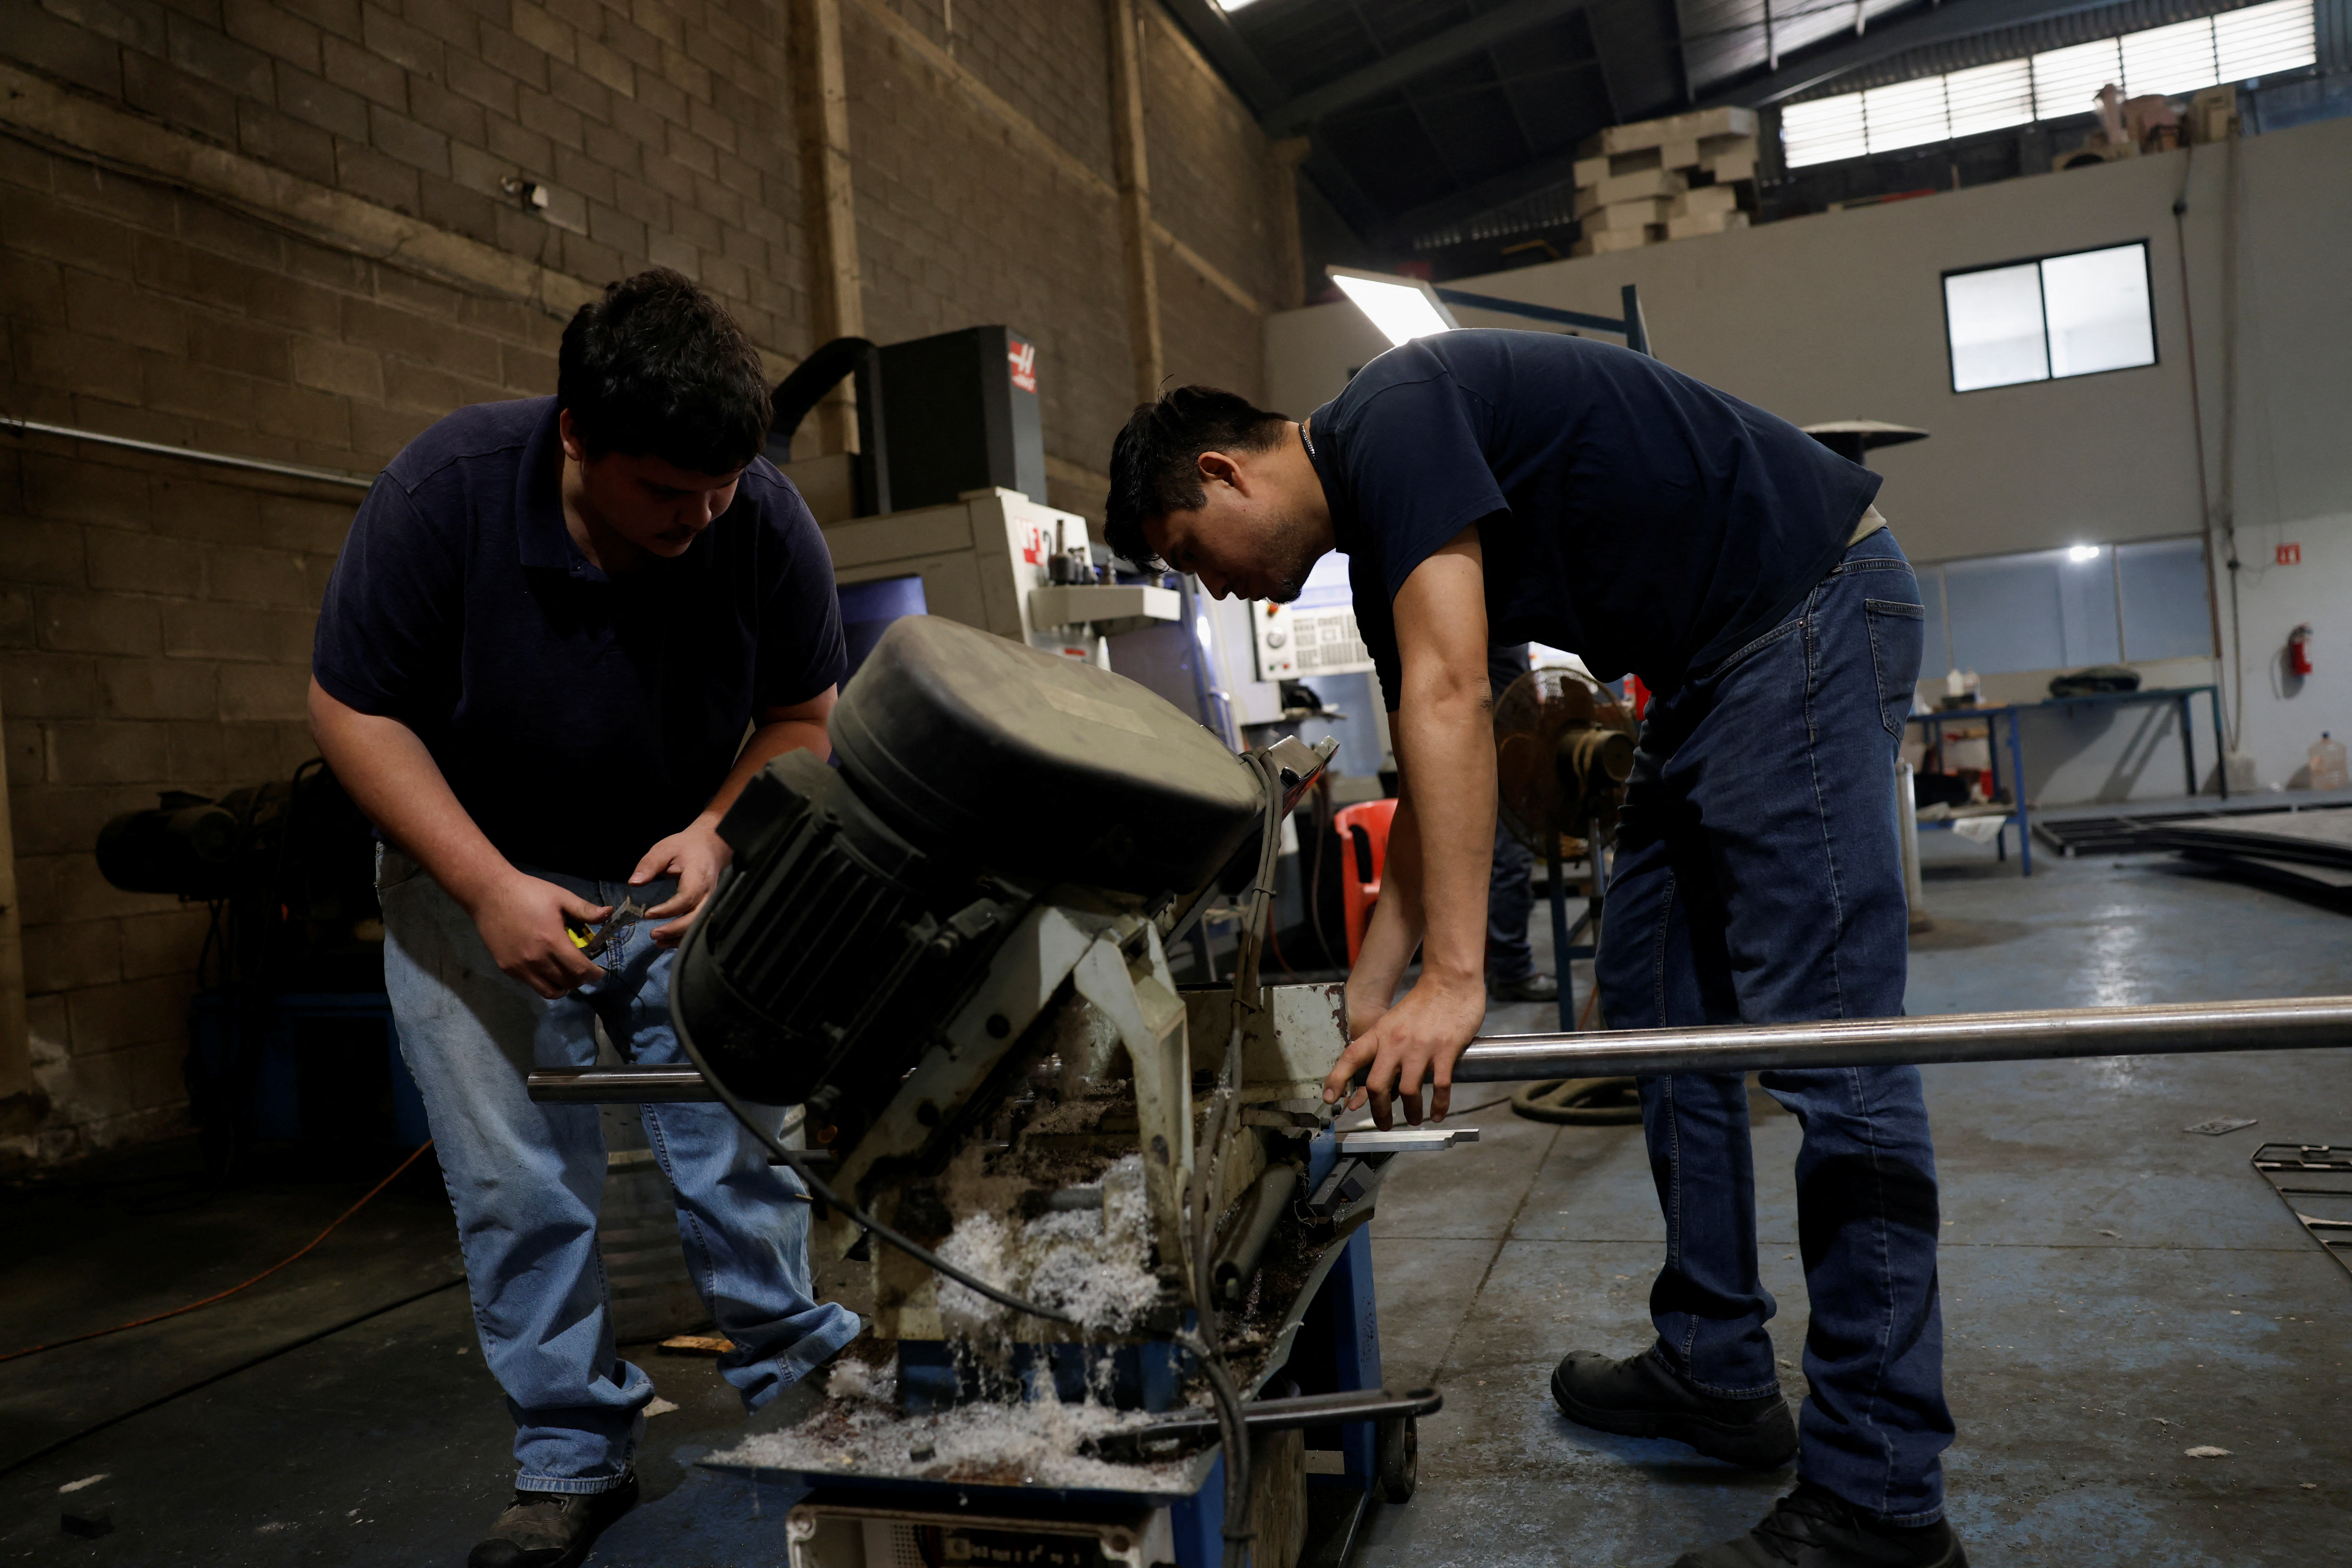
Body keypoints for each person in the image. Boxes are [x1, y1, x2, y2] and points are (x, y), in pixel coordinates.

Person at [1101, 332, 1960, 1568]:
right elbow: (1436, 764)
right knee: (1655, 1010)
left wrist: (1457, 984)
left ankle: (1883, 1498)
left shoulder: (1388, 418)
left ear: (1227, 472)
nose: (1223, 592)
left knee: (1834, 1054)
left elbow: (1453, 691)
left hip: (1803, 610)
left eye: (1192, 555)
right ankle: (1716, 1367)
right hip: (1715, 669)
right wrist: (1368, 990)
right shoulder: (1388, 534)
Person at [309, 269, 860, 1568]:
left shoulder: (759, 518)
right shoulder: (445, 491)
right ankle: (570, 1458)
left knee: (738, 1149)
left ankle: (808, 1402)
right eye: (666, 493)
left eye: (720, 487)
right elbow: (351, 710)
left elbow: (803, 717)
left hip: (675, 866)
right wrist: (486, 884)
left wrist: (720, 827)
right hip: (470, 874)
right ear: (576, 436)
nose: (700, 518)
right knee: (514, 1181)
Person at [1484, 642, 1557, 1005]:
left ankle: (1507, 966)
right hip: (1497, 749)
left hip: (1512, 745)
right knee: (1511, 863)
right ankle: (1512, 971)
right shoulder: (1482, 604)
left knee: (1512, 862)